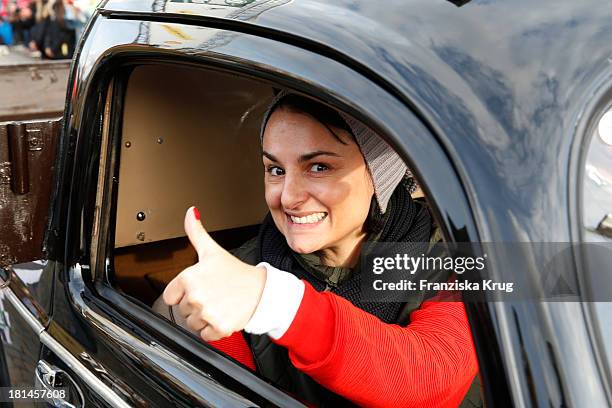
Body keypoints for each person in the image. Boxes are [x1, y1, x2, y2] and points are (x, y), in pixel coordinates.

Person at [153, 92, 480, 407]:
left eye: (319, 167)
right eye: (276, 170)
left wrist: (273, 301)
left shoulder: (469, 262)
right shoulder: (241, 274)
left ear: (379, 178)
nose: (287, 197)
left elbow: (432, 381)